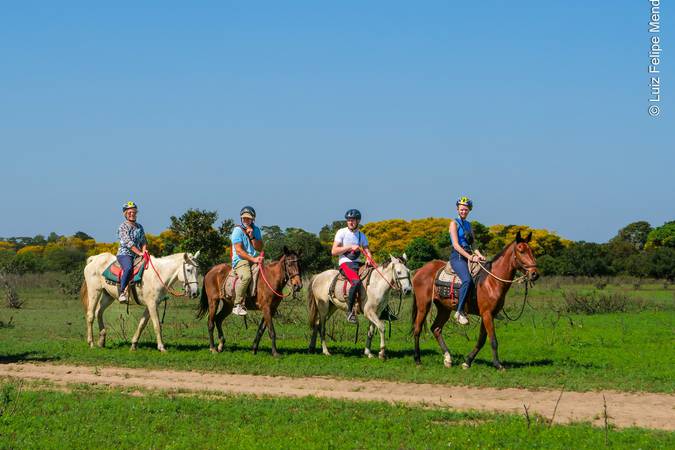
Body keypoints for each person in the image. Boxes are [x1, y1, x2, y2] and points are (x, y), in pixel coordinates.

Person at [331, 209, 374, 323]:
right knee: (356, 282)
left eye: (353, 220)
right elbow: (334, 251)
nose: (350, 222)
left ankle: (383, 309)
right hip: (345, 263)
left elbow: (367, 250)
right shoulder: (341, 232)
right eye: (348, 220)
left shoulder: (361, 235)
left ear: (358, 221)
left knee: (376, 276)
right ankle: (350, 311)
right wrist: (350, 247)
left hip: (358, 263)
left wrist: (369, 258)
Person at [449, 196, 486, 325]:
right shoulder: (453, 223)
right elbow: (455, 245)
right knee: (467, 280)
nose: (464, 211)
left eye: (466, 209)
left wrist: (479, 255)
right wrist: (470, 257)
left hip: (469, 255)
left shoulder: (469, 225)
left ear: (469, 210)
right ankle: (459, 312)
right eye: (461, 209)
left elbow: (473, 244)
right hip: (458, 257)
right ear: (457, 209)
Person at [230, 206, 263, 316]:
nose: (245, 220)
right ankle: (237, 305)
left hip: (253, 259)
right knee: (246, 276)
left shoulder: (256, 230)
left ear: (253, 219)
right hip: (240, 260)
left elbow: (259, 248)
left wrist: (252, 236)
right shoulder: (237, 230)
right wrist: (253, 259)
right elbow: (239, 251)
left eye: (248, 218)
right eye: (244, 218)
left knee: (265, 273)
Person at [117, 201, 148, 304]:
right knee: (128, 268)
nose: (132, 214)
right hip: (125, 254)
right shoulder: (123, 227)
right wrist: (139, 253)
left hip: (138, 253)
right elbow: (128, 243)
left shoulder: (140, 227)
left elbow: (144, 241)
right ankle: (122, 292)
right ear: (125, 214)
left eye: (134, 212)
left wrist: (144, 252)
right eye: (130, 212)